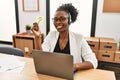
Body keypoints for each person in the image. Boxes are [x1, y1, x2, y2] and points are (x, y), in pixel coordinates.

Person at [31, 3, 98, 71]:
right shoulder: (51, 35)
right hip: (52, 72)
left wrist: (74, 66)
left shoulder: (79, 38)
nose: (58, 22)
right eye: (55, 19)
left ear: (69, 20)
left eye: (62, 19)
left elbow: (93, 61)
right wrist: (37, 37)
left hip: (72, 75)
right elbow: (40, 57)